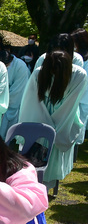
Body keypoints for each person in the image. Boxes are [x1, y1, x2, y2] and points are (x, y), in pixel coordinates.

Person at [19, 50, 88, 186]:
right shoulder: (39, 73)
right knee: (34, 156)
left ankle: (46, 187)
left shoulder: (78, 75)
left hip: (63, 121)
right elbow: (32, 101)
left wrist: (54, 130)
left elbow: (70, 105)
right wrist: (44, 127)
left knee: (52, 158)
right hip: (38, 119)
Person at [0, 50, 30, 138]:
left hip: (14, 103)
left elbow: (18, 91)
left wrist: (2, 101)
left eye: (6, 65)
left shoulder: (20, 66)